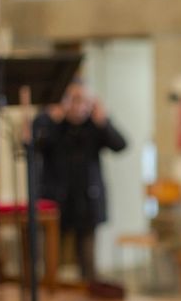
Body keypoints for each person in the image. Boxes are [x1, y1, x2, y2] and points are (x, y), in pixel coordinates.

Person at [31, 80, 127, 283]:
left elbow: (120, 145)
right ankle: (52, 298)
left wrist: (104, 121)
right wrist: (52, 119)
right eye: (73, 99)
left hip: (87, 198)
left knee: (88, 261)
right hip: (56, 197)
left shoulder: (94, 123)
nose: (78, 105)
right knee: (51, 258)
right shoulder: (52, 123)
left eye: (83, 100)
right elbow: (32, 146)